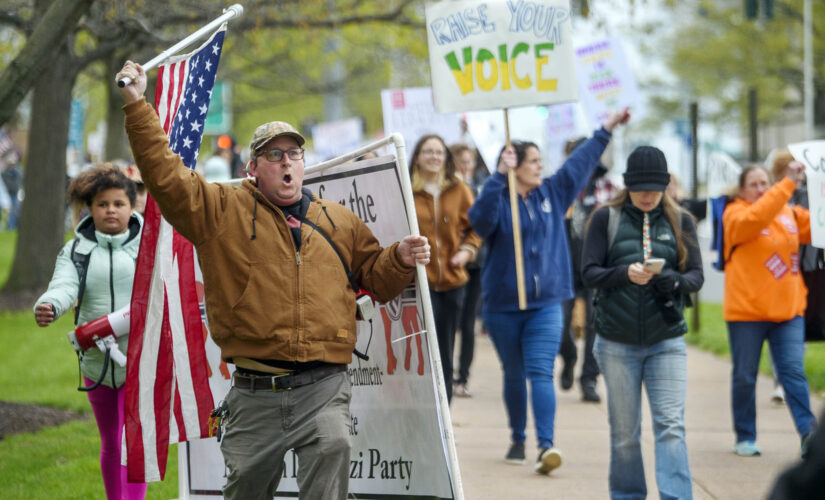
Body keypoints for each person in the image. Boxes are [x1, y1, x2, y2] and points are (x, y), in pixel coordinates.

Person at [116, 61, 430, 500]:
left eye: (294, 154)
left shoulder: (338, 221)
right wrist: (138, 107)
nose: (286, 163)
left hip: (323, 385)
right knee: (246, 489)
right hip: (254, 391)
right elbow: (168, 181)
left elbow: (377, 280)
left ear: (304, 163)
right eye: (274, 155)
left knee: (333, 447)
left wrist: (398, 257)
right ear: (253, 167)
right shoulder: (220, 210)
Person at [469, 108, 630, 474]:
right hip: (503, 306)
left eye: (541, 160)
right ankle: (517, 438)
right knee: (513, 373)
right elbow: (478, 221)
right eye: (533, 161)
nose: (540, 166)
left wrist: (605, 130)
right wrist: (497, 177)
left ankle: (546, 445)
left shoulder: (554, 193)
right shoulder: (498, 197)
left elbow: (580, 162)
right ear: (515, 166)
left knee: (540, 371)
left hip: (546, 304)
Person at [581, 146, 703, 500]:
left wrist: (675, 282)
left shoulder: (682, 221)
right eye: (639, 188)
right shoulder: (606, 219)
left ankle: (676, 496)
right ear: (627, 185)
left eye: (654, 187)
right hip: (616, 343)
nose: (647, 195)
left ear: (665, 185)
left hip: (666, 340)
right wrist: (623, 273)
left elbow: (696, 276)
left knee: (670, 426)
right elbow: (588, 273)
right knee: (624, 433)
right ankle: (627, 494)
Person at [33, 163, 146, 500]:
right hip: (95, 362)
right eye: (102, 204)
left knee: (133, 441)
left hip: (139, 361)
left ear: (132, 206)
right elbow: (64, 285)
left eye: (118, 203)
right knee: (111, 442)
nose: (110, 210)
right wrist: (50, 305)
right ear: (90, 209)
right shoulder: (76, 250)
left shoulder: (148, 247)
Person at [722, 162, 816, 458]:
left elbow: (818, 226)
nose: (762, 189)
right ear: (741, 190)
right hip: (746, 314)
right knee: (745, 376)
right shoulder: (735, 214)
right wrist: (785, 185)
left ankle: (809, 436)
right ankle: (745, 436)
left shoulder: (788, 213)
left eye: (765, 183)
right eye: (755, 184)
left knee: (793, 373)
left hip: (788, 312)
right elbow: (756, 217)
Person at [410, 135, 481, 403]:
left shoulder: (459, 189)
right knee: (422, 355)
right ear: (417, 156)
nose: (434, 157)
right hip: (419, 282)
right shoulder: (406, 189)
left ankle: (445, 421)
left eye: (439, 152)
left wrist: (466, 251)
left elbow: (475, 227)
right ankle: (424, 415)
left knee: (445, 352)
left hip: (452, 283)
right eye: (428, 151)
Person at [557, 137, 620, 403]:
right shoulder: (560, 187)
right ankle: (569, 356)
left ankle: (589, 380)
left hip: (597, 267)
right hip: (564, 268)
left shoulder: (610, 188)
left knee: (595, 323)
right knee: (560, 323)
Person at [450, 143, 486, 397]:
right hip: (450, 265)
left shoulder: (475, 189)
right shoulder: (447, 190)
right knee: (450, 322)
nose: (466, 167)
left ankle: (462, 377)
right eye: (462, 162)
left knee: (468, 322)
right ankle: (448, 374)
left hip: (474, 265)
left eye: (469, 162)